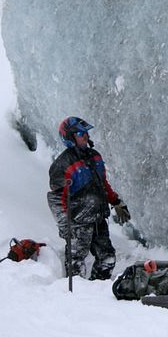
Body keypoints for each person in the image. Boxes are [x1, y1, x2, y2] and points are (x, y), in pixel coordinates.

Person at [47, 116, 132, 280]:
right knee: (76, 263)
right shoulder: (62, 165)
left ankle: (98, 290)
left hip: (99, 219)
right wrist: (66, 225)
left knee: (108, 258)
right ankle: (77, 298)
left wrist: (116, 201)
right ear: (70, 138)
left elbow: (102, 184)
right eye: (80, 133)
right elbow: (57, 199)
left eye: (85, 133)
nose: (85, 136)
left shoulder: (95, 157)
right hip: (78, 223)